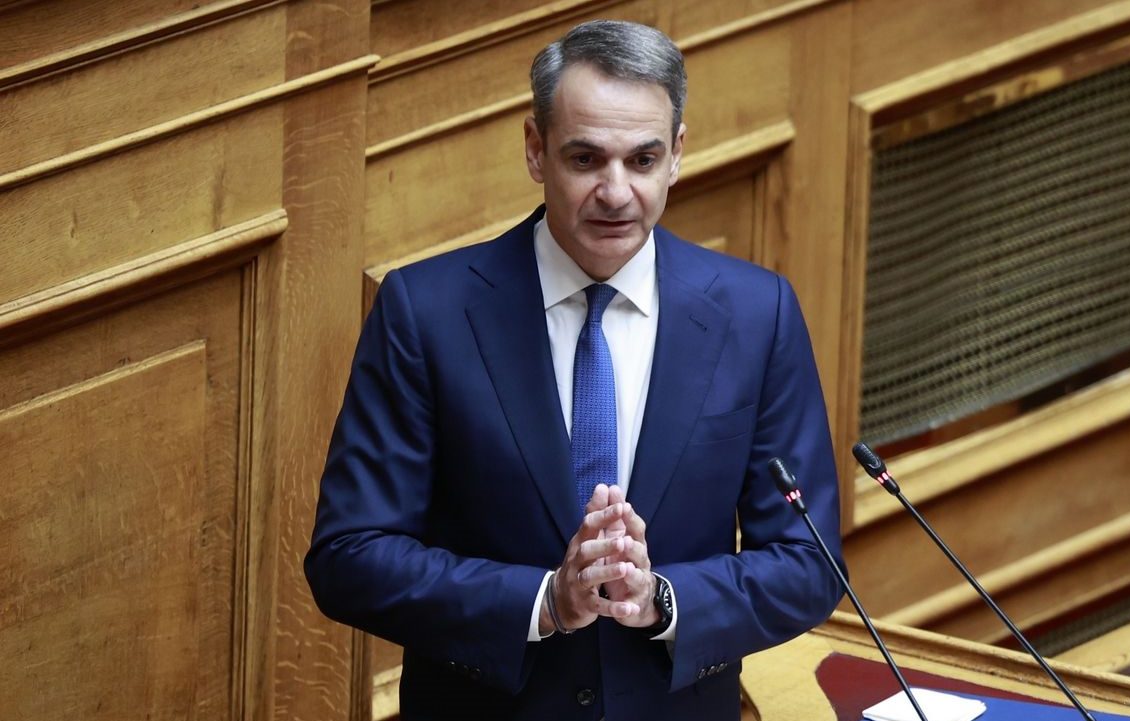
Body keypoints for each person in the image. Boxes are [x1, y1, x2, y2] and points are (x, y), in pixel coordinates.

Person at [305, 19, 844, 721]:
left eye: (643, 160)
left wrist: (664, 601)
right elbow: (349, 555)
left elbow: (808, 562)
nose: (616, 192)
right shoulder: (426, 312)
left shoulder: (756, 314)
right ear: (536, 149)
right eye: (586, 159)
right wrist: (543, 601)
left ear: (678, 154)